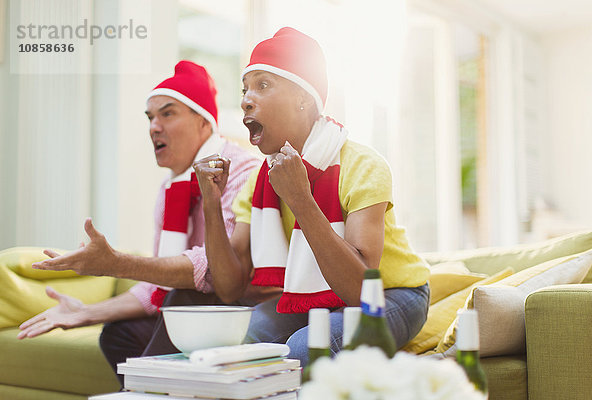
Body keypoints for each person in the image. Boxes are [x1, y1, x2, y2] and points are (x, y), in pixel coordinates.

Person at [18, 61, 275, 384]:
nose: (154, 126)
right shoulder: (170, 190)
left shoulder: (241, 170)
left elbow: (211, 271)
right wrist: (86, 311)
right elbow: (158, 282)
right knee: (120, 334)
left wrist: (116, 264)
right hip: (197, 303)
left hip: (239, 304)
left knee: (185, 299)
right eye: (150, 117)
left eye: (167, 114)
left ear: (204, 122)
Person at [194, 27, 431, 366]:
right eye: (245, 89)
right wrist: (212, 205)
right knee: (240, 339)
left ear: (303, 99)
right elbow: (230, 289)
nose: (246, 99)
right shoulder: (260, 182)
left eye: (262, 85)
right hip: (320, 300)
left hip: (392, 294)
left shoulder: (363, 165)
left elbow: (359, 291)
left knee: (306, 348)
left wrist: (302, 200)